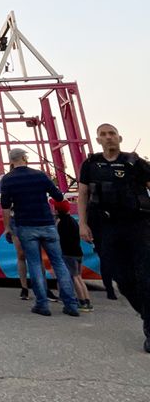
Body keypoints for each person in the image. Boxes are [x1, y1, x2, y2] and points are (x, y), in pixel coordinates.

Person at [78, 123, 150, 352]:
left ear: (119, 137)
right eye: (103, 135)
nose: (108, 138)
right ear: (98, 140)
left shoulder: (134, 162)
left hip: (138, 226)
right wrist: (82, 223)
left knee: (146, 277)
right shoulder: (91, 164)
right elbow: (82, 194)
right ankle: (146, 313)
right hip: (106, 227)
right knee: (123, 280)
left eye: (112, 134)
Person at [0, 147, 79, 318]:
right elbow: (58, 197)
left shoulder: (8, 179)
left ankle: (42, 304)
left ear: (11, 161)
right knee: (59, 263)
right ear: (25, 158)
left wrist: (7, 227)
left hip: (25, 225)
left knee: (34, 264)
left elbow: (5, 206)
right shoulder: (40, 175)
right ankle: (71, 304)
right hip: (47, 223)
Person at [52, 199, 92, 312]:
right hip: (78, 252)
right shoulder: (74, 221)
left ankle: (81, 301)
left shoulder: (60, 223)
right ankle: (87, 300)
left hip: (68, 253)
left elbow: (57, 238)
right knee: (79, 277)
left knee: (74, 277)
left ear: (56, 210)